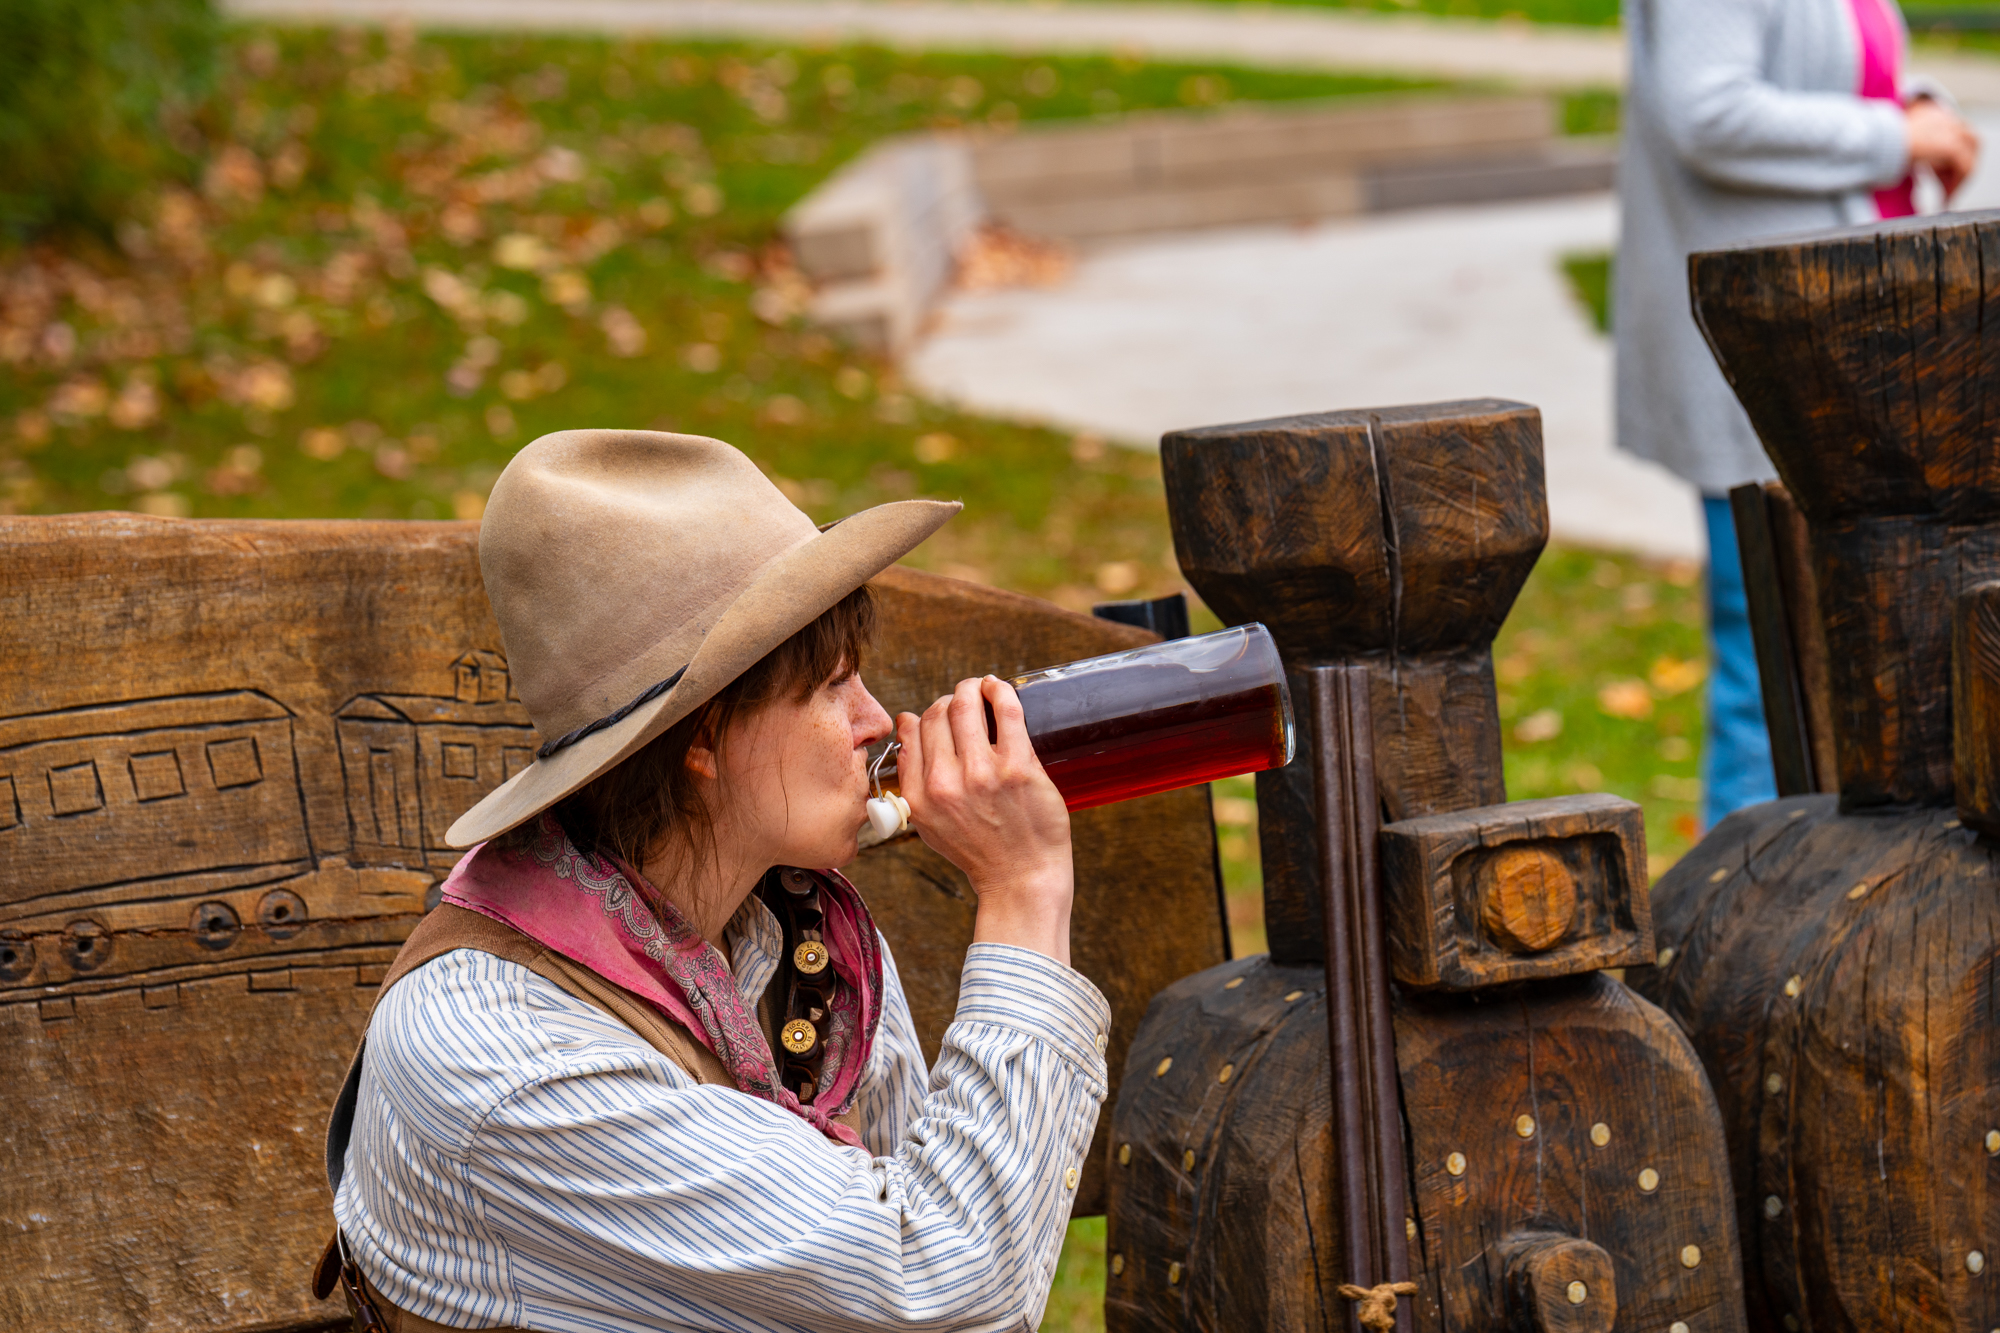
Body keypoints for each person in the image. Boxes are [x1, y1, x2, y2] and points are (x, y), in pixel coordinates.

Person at [316, 430, 1105, 1332]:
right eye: (832, 685)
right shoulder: (504, 1053)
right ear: (701, 735)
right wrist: (1027, 889)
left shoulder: (796, 938)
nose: (877, 719)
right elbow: (947, 1290)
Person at [1616, 0, 1979, 826]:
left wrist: (1923, 105)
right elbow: (1706, 112)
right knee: (1775, 649)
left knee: (1864, 646)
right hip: (1768, 356)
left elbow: (1849, 64)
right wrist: (1896, 138)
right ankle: (1738, 913)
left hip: (1847, 356)